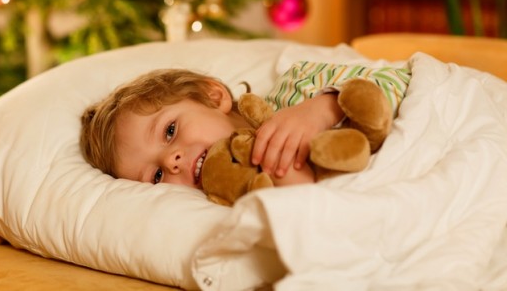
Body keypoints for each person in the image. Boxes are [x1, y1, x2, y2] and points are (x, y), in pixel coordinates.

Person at [81, 62, 411, 189]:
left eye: (169, 131)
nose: (171, 161)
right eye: (156, 176)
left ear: (213, 96)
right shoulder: (228, 195)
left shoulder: (297, 88)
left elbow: (399, 83)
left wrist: (323, 107)